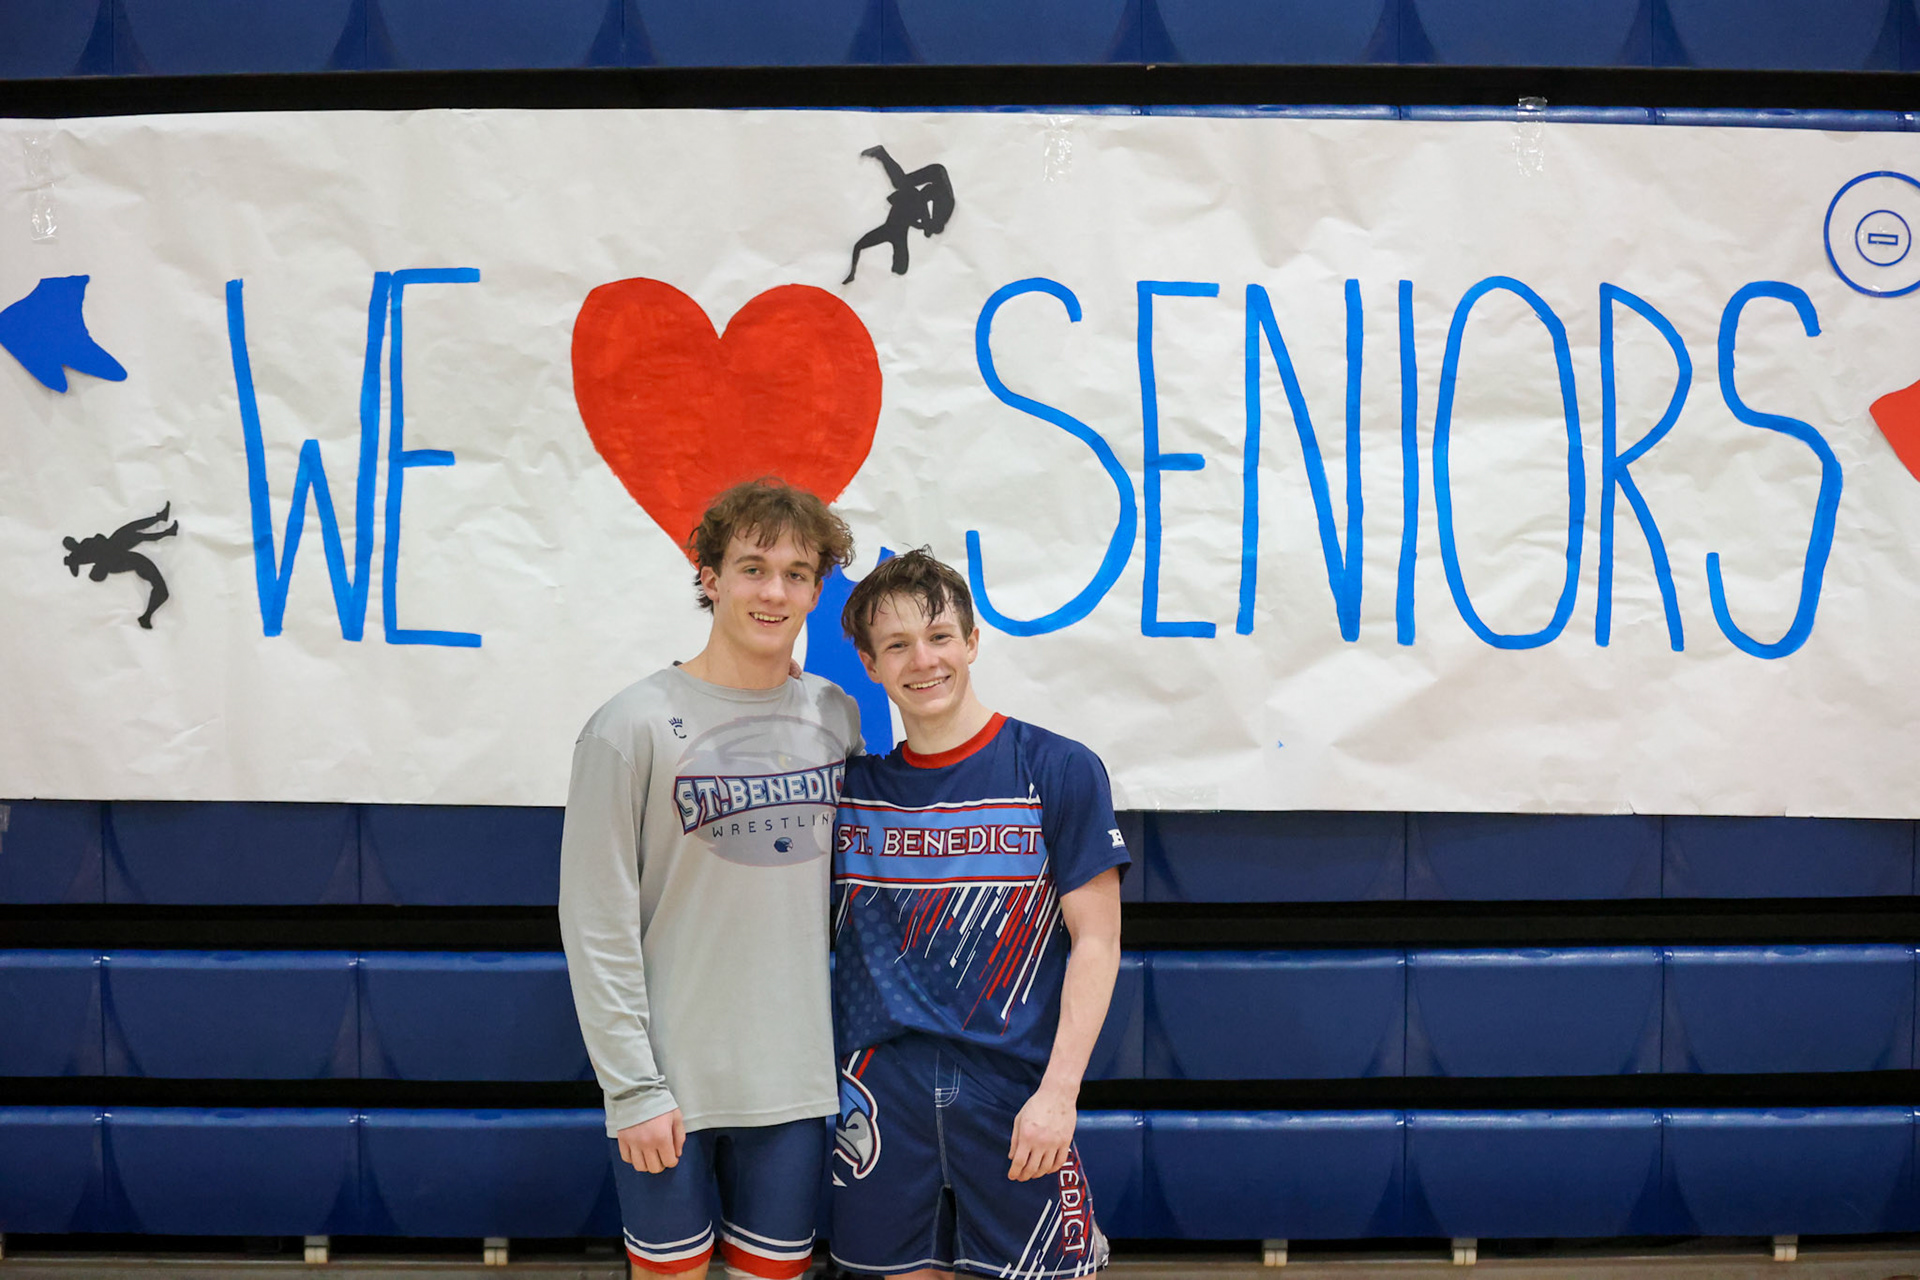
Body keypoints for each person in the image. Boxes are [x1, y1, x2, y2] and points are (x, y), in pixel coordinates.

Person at [559, 479, 863, 1280]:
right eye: (753, 567)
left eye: (798, 573)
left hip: (794, 1087)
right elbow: (595, 925)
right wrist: (632, 1089)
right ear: (709, 576)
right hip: (671, 1085)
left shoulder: (835, 716)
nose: (774, 591)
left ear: (818, 587)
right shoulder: (629, 725)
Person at [827, 549, 1128, 1280]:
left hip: (1011, 1089)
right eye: (895, 645)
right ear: (868, 664)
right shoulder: (850, 791)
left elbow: (1097, 943)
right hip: (878, 1093)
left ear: (971, 642)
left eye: (937, 637)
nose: (922, 660)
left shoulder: (1057, 768)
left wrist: (1059, 1095)